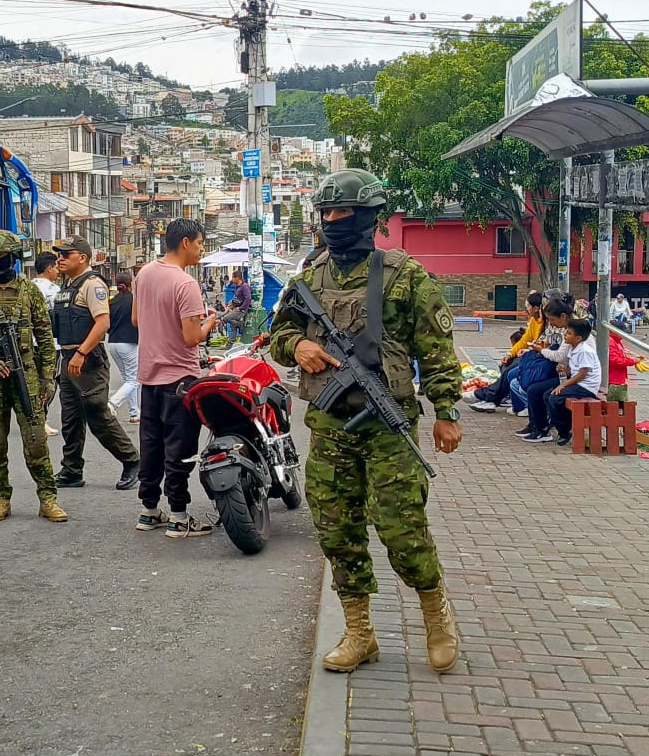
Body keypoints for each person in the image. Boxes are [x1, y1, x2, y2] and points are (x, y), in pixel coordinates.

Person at [270, 169, 464, 675]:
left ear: (368, 217)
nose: (332, 221)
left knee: (402, 529)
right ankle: (360, 632)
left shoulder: (405, 276)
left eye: (343, 212)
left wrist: (446, 412)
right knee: (337, 530)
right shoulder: (308, 278)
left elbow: (437, 351)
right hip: (330, 426)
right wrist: (299, 345)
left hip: (388, 428)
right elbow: (279, 335)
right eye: (326, 213)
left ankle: (437, 617)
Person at [0, 231, 66, 523]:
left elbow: (45, 337)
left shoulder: (30, 292)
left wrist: (47, 378)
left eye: (1, 255)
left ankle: (48, 498)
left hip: (26, 376)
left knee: (36, 441)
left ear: (14, 258)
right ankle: (1, 498)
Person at [132, 218, 217, 538]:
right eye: (199, 243)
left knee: (151, 445)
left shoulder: (144, 274)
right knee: (179, 449)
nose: (201, 249)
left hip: (149, 377)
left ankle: (149, 510)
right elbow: (192, 337)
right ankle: (179, 516)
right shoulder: (186, 283)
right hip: (180, 378)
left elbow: (137, 319)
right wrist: (209, 323)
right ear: (185, 243)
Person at [50, 236, 141, 490]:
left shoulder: (92, 284)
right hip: (68, 359)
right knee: (70, 419)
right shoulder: (67, 286)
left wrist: (81, 353)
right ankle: (72, 470)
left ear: (82, 258)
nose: (60, 259)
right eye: (59, 254)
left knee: (97, 414)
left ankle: (132, 461)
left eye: (66, 254)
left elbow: (102, 323)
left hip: (87, 361)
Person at [469, 292, 544, 412]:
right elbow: (524, 340)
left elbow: (540, 345)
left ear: (536, 308)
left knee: (511, 371)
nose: (526, 310)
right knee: (506, 364)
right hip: (530, 355)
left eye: (528, 307)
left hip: (536, 358)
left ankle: (488, 397)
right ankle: (491, 398)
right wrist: (510, 354)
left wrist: (528, 350)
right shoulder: (534, 321)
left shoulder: (543, 323)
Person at [516, 298, 575, 441]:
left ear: (563, 316)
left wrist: (541, 350)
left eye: (553, 320)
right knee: (534, 388)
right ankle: (536, 425)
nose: (552, 324)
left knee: (539, 391)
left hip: (574, 377)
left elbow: (560, 355)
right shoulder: (567, 329)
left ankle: (545, 429)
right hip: (566, 373)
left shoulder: (573, 331)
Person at [540, 320, 602, 446]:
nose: (565, 335)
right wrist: (563, 370)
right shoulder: (573, 348)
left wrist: (564, 384)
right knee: (547, 395)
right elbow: (572, 370)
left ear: (578, 338)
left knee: (554, 398)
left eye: (568, 333)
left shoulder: (584, 351)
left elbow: (582, 374)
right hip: (579, 383)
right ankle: (563, 422)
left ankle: (565, 431)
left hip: (587, 386)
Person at [33, 252, 63, 437]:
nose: (58, 272)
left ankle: (34, 419)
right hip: (50, 343)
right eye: (56, 268)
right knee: (49, 383)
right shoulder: (54, 290)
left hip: (29, 344)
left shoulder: (27, 287)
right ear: (49, 268)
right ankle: (41, 421)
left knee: (34, 383)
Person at [105, 273, 141, 424]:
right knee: (134, 380)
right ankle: (113, 403)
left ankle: (134, 413)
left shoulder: (112, 302)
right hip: (129, 343)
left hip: (113, 343)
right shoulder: (135, 300)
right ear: (130, 284)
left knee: (128, 379)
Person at [606, 332, 641, 404]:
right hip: (613, 379)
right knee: (616, 402)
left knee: (620, 400)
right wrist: (633, 361)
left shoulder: (617, 341)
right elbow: (616, 361)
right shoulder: (610, 342)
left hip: (618, 378)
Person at [220, 271, 252, 339]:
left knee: (226, 318)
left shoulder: (244, 287)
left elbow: (248, 299)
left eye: (233, 277)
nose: (232, 279)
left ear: (237, 278)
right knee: (232, 327)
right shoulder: (238, 287)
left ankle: (240, 324)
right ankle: (230, 342)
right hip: (235, 308)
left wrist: (241, 308)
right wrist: (231, 304)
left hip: (241, 310)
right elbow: (237, 298)